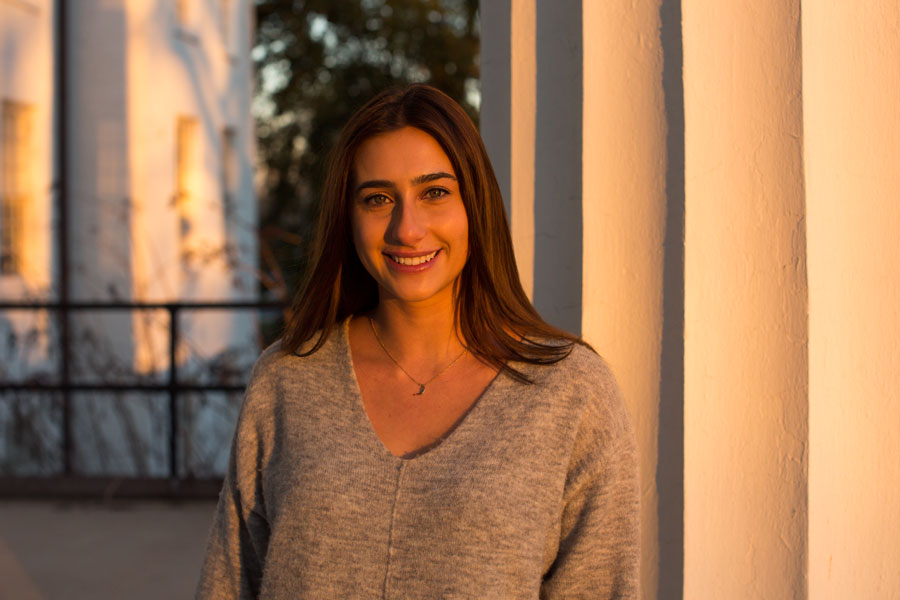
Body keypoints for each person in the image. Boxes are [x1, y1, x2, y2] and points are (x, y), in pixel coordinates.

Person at [196, 84, 639, 599]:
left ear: (475, 204)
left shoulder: (571, 394)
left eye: (435, 192)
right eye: (378, 199)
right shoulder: (287, 380)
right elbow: (229, 584)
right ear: (349, 217)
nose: (407, 229)